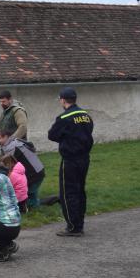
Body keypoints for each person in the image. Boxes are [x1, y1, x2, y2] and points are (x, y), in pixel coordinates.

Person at [47, 86, 93, 236]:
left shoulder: (64, 118)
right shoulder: (86, 115)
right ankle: (80, 223)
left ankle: (73, 227)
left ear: (63, 100)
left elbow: (52, 135)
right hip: (84, 158)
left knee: (68, 193)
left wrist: (65, 138)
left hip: (70, 160)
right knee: (80, 191)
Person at [0, 131, 45, 209]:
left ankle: (41, 203)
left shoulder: (12, 147)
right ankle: (37, 203)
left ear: (6, 136)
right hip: (36, 171)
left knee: (29, 198)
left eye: (0, 138)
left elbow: (7, 164)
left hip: (35, 173)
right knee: (29, 196)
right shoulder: (13, 142)